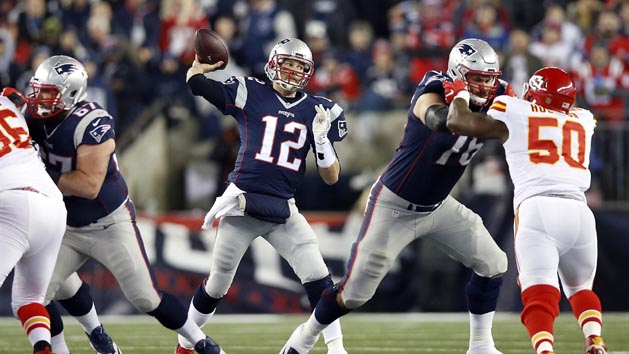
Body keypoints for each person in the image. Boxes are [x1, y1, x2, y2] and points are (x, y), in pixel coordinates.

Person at [279, 38, 510, 354]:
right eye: (478, 78)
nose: (485, 86)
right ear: (458, 74)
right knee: (354, 294)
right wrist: (463, 105)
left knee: (494, 262)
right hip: (395, 205)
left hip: (439, 206)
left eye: (489, 78)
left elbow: (526, 115)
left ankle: (481, 346)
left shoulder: (500, 94)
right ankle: (306, 336)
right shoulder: (434, 87)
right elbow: (444, 120)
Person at [23, 55, 225, 354]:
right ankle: (86, 338)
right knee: (34, 293)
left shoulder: (93, 122)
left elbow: (88, 186)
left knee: (146, 298)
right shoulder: (31, 115)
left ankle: (201, 342)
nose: (39, 99)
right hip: (64, 223)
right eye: (38, 90)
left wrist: (36, 173)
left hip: (108, 222)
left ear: (72, 93)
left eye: (49, 93)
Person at [176, 38, 349, 354]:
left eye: (301, 67)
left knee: (320, 277)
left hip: (282, 208)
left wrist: (322, 142)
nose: (294, 71)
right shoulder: (250, 91)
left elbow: (331, 177)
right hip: (243, 203)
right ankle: (186, 342)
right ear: (273, 64)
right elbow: (198, 86)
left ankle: (336, 348)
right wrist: (197, 69)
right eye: (289, 64)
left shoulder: (317, 110)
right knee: (217, 285)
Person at [445, 66, 608, 354]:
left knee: (539, 292)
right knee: (582, 289)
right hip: (580, 213)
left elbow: (460, 122)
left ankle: (545, 350)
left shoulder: (513, 110)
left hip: (539, 209)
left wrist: (459, 96)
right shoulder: (583, 119)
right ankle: (594, 339)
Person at [0, 88, 67, 354]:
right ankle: (43, 348)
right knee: (28, 300)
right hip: (52, 204)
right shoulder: (7, 100)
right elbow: (16, 97)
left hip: (15, 202)